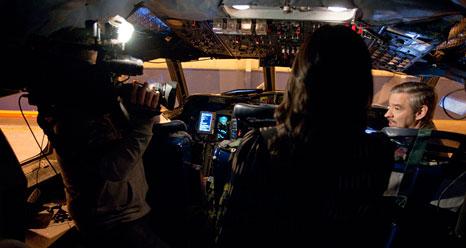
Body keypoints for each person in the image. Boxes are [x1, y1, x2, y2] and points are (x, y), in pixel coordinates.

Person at [215, 25, 395, 247]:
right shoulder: (378, 152)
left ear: (300, 81)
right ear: (361, 86)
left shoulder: (262, 145)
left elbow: (229, 231)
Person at [32, 28, 169, 248]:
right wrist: (144, 124)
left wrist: (143, 115)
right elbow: (114, 169)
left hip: (123, 217)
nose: (107, 78)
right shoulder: (72, 119)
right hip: (114, 225)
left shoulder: (96, 109)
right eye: (94, 66)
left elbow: (126, 141)